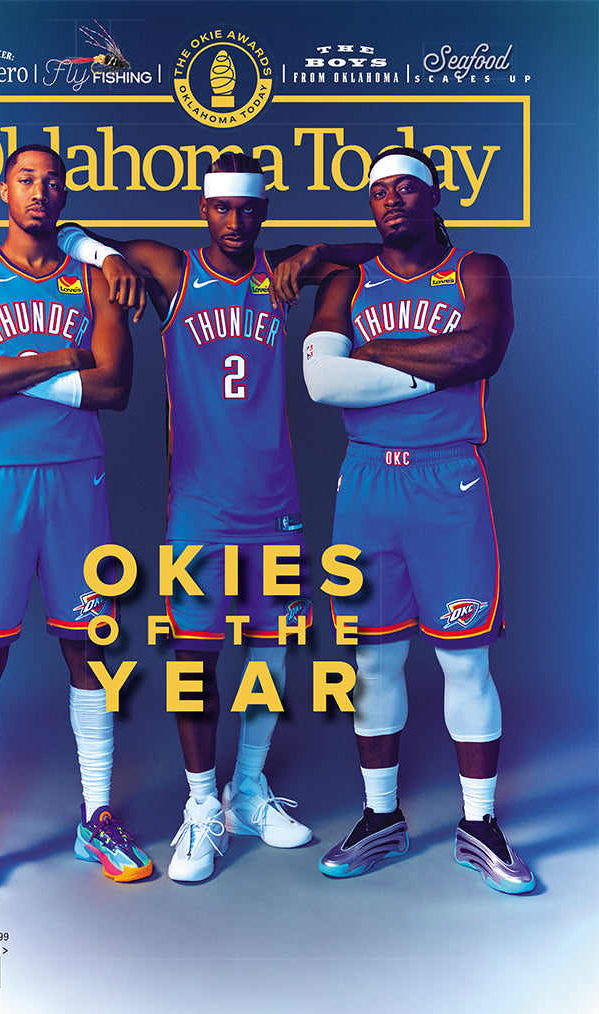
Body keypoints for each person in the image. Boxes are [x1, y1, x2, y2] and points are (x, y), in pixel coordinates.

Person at [58, 153, 317, 882]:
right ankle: (201, 807)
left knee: (270, 654)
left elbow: (363, 257)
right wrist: (109, 264)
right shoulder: (171, 271)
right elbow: (74, 230)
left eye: (249, 209)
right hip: (201, 507)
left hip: (278, 503)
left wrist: (314, 252)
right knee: (196, 662)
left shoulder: (279, 277)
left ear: (263, 212)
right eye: (222, 208)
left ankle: (250, 791)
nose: (236, 222)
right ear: (204, 210)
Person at [287, 146, 535, 894]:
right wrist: (432, 365)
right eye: (378, 191)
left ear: (434, 197)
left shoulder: (477, 267)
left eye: (406, 187)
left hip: (448, 480)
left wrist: (381, 354)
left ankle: (480, 825)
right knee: (373, 658)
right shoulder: (348, 278)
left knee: (465, 660)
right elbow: (324, 379)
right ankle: (380, 817)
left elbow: (482, 349)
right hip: (365, 486)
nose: (390, 199)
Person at [0, 144, 151, 913]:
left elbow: (115, 385)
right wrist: (61, 356)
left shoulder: (95, 275)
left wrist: (10, 367)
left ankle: (96, 818)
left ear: (65, 196)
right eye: (27, 178)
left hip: (75, 483)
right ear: (4, 188)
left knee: (91, 651)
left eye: (54, 181)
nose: (41, 191)